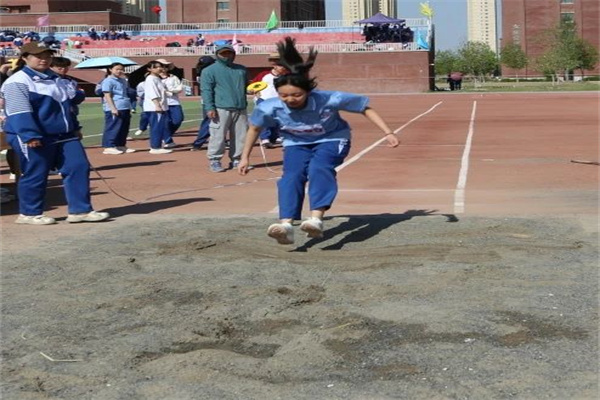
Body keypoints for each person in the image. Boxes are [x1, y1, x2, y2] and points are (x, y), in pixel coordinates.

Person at [238, 37, 399, 245]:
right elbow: (254, 128)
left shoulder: (328, 99)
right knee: (291, 176)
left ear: (307, 91)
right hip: (296, 143)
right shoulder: (269, 107)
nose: (290, 100)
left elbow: (364, 108)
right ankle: (286, 225)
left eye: (296, 95)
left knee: (319, 168)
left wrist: (388, 132)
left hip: (332, 138)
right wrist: (244, 158)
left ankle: (316, 219)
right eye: (284, 96)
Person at [0, 41, 109, 225]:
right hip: (34, 135)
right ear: (25, 58)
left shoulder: (57, 79)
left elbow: (68, 107)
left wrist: (75, 128)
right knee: (36, 172)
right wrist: (30, 135)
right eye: (38, 56)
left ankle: (80, 210)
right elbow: (19, 112)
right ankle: (29, 213)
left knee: (78, 166)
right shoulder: (17, 81)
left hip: (65, 134)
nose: (44, 59)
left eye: (47, 55)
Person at [201, 43, 249, 172]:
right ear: (217, 55)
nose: (227, 56)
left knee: (241, 136)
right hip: (221, 108)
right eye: (223, 54)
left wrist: (251, 91)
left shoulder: (241, 69)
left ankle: (237, 159)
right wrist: (210, 107)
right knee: (218, 135)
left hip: (240, 107)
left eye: (229, 53)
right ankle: (215, 160)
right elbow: (206, 90)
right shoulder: (209, 71)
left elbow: (245, 87)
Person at [249, 52, 289, 148]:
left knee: (279, 119)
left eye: (278, 60)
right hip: (264, 100)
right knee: (265, 120)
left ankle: (276, 137)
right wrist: (253, 91)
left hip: (279, 100)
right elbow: (253, 86)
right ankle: (265, 139)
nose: (275, 63)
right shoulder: (264, 74)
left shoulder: (286, 76)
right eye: (274, 60)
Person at [101, 62, 134, 154]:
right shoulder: (108, 81)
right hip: (115, 106)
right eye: (117, 69)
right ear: (110, 69)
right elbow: (107, 95)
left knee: (124, 127)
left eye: (121, 69)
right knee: (113, 127)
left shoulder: (123, 80)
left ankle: (121, 145)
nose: (119, 71)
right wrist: (113, 108)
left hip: (124, 106)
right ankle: (109, 146)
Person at [143, 59, 171, 154]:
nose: (159, 68)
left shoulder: (157, 78)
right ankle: (155, 147)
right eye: (155, 67)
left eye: (160, 66)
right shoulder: (150, 79)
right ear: (149, 69)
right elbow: (152, 93)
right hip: (154, 107)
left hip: (161, 106)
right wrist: (157, 105)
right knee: (156, 126)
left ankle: (157, 145)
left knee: (161, 126)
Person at [191, 55, 215, 151]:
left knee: (213, 122)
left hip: (207, 100)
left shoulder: (201, 72)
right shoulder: (206, 73)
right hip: (210, 100)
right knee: (209, 122)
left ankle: (222, 140)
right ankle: (198, 143)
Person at [160, 65, 184, 149]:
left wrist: (171, 91)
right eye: (161, 67)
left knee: (178, 119)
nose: (163, 69)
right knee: (165, 122)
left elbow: (179, 87)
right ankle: (167, 140)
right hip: (162, 103)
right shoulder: (155, 79)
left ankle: (166, 135)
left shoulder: (173, 77)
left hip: (174, 102)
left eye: (165, 67)